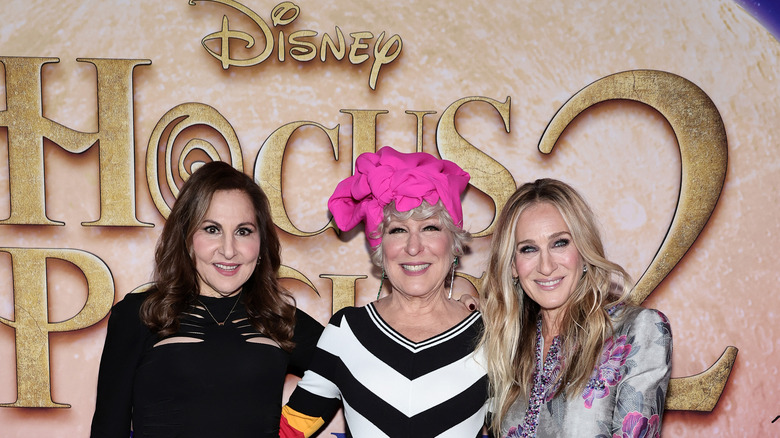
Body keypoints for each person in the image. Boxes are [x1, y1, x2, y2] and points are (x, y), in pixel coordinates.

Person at [90, 161, 323, 437]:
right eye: (212, 229)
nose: (228, 250)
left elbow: (342, 367)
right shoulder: (140, 314)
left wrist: (290, 432)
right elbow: (108, 427)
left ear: (261, 245)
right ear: (187, 238)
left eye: (243, 231)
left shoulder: (279, 318)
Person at [279, 147, 489, 437]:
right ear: (380, 246)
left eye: (429, 227)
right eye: (398, 230)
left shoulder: (491, 334)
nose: (413, 248)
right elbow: (290, 428)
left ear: (453, 244)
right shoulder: (346, 330)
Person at [479, 178, 672, 438]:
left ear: (583, 250)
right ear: (513, 265)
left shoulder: (638, 330)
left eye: (560, 243)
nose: (546, 266)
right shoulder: (507, 344)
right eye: (528, 249)